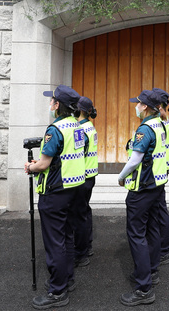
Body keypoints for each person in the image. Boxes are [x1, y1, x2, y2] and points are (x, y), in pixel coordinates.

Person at [24, 85, 86, 309]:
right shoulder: (78, 126)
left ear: (58, 105)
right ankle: (67, 279)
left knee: (55, 242)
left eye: (52, 101)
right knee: (67, 237)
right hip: (74, 188)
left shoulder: (55, 129)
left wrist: (32, 168)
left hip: (55, 191)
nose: (50, 104)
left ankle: (57, 291)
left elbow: (44, 163)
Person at [118, 89, 168, 306]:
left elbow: (134, 160)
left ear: (145, 107)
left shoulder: (145, 129)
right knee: (153, 229)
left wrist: (121, 177)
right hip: (156, 184)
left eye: (138, 103)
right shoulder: (161, 124)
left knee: (137, 234)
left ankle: (143, 288)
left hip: (142, 188)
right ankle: (151, 271)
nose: (136, 106)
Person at [70, 96, 98, 267]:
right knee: (84, 212)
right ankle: (86, 246)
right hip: (90, 175)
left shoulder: (80, 130)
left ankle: (81, 253)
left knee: (78, 215)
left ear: (78, 110)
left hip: (82, 177)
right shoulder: (89, 127)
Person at [152, 88, 169, 265]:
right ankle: (161, 245)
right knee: (159, 207)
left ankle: (164, 248)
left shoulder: (161, 122)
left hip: (159, 169)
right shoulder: (163, 121)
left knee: (160, 208)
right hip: (161, 168)